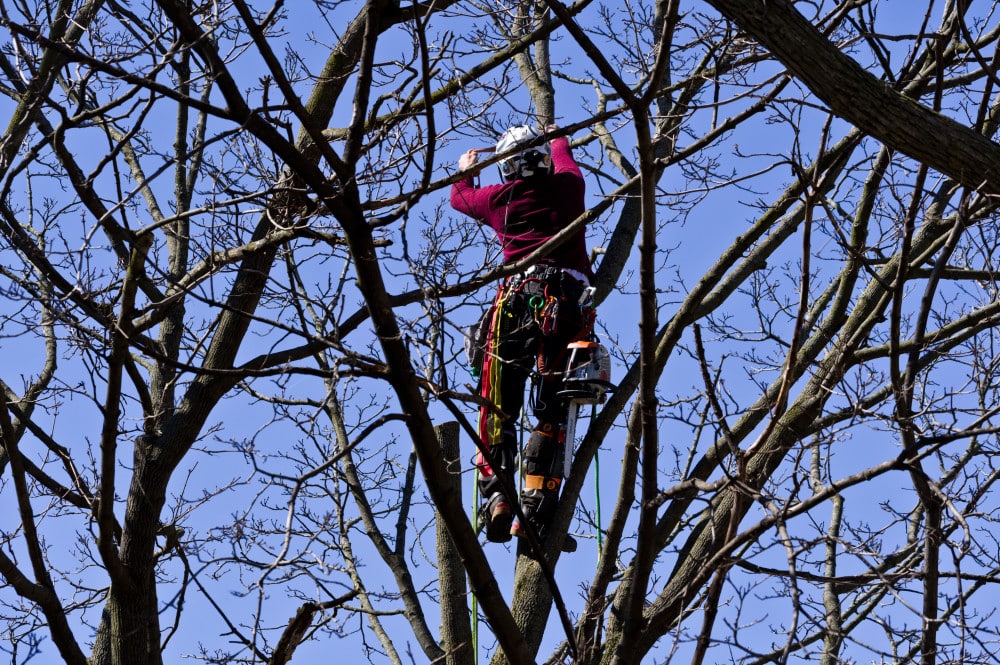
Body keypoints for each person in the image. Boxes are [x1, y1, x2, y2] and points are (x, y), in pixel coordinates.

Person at [450, 124, 594, 550]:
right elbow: (566, 159)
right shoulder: (569, 188)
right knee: (554, 406)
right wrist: (556, 137)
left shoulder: (499, 199)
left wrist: (465, 171)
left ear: (508, 168)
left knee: (497, 401)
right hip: (563, 305)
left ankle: (497, 496)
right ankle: (536, 503)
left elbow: (460, 198)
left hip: (514, 302)